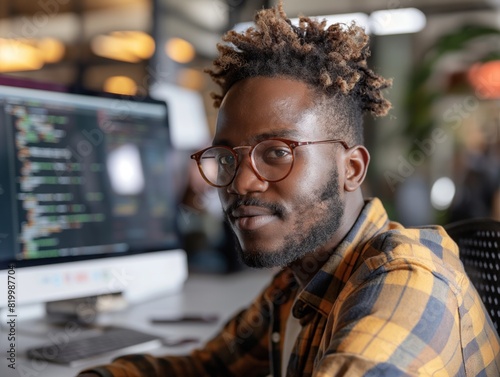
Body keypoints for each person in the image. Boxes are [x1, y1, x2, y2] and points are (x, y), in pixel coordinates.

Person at [78, 2, 500, 376]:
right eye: (227, 158)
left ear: (350, 168)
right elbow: (206, 366)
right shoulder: (302, 275)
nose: (241, 182)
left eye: (277, 152)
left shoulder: (408, 286)